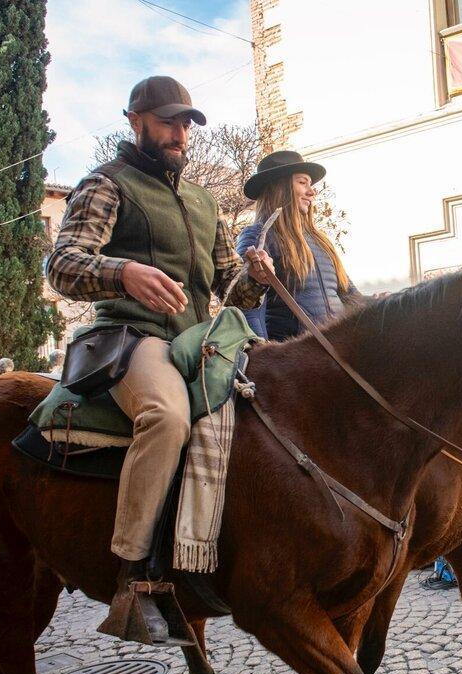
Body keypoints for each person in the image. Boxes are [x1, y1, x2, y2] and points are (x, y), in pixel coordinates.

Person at [47, 75, 274, 644]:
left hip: (202, 344)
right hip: (131, 339)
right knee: (167, 416)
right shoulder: (107, 183)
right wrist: (121, 272)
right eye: (168, 121)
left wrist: (257, 277)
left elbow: (230, 287)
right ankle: (133, 578)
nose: (179, 133)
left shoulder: (202, 202)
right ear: (135, 121)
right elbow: (63, 264)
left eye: (186, 123)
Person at [236, 151, 359, 341]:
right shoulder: (258, 237)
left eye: (310, 184)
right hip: (295, 360)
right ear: (280, 187)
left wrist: (383, 305)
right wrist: (261, 352)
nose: (312, 191)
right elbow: (248, 306)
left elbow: (350, 295)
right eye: (302, 183)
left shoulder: (321, 240)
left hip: (338, 354)